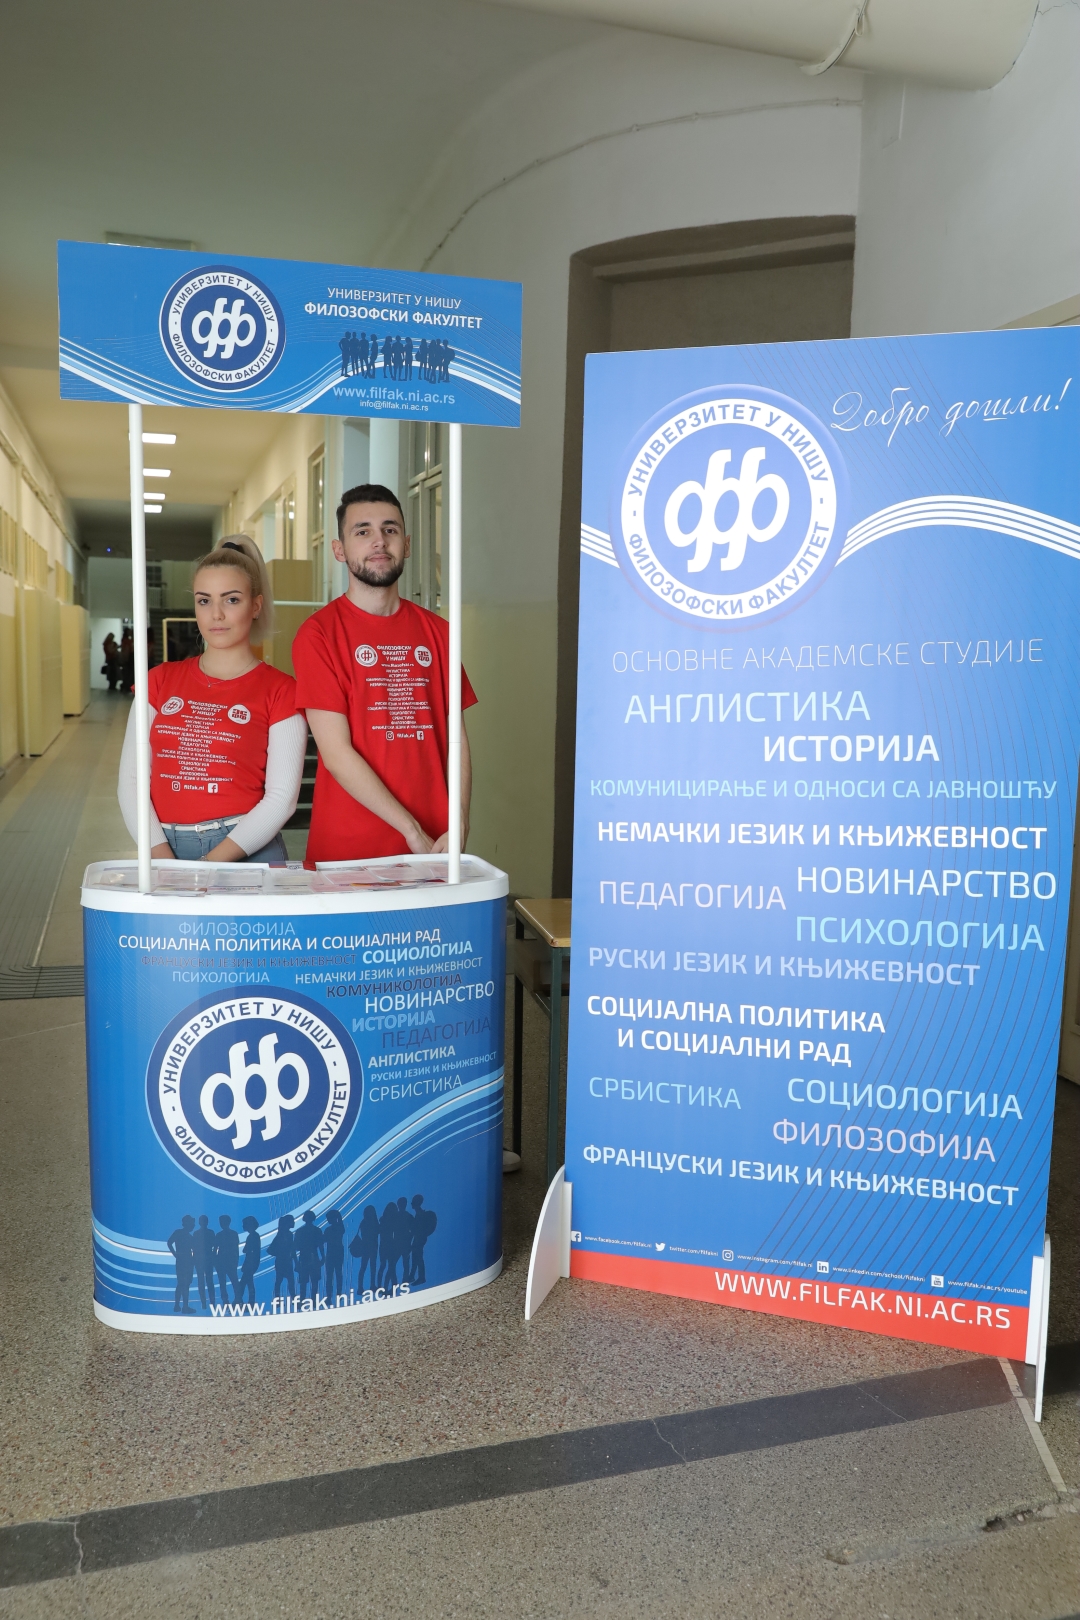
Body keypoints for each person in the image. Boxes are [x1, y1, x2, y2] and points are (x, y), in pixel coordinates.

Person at [292, 485, 475, 863]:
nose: (379, 541)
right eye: (363, 531)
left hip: (436, 844)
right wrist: (410, 829)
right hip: (350, 849)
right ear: (339, 550)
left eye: (390, 530)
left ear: (405, 545)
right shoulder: (318, 634)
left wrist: (458, 817)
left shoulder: (439, 633)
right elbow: (336, 753)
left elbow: (456, 738)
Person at [118, 535, 307, 863]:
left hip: (246, 849)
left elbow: (282, 798)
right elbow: (131, 783)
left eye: (231, 600)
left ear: (256, 606)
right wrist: (164, 861)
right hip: (163, 847)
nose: (216, 614)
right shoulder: (159, 681)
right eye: (204, 601)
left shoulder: (281, 690)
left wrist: (207, 867)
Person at [167, 1214, 196, 1315]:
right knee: (183, 1284)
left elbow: (194, 1249)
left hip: (186, 1260)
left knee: (182, 1283)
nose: (193, 1225)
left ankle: (180, 1306)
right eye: (192, 1223)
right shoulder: (180, 1233)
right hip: (184, 1260)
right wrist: (175, 1254)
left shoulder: (189, 1236)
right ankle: (182, 1306)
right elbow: (169, 1243)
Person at [214, 1214, 241, 1306]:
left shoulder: (233, 1234)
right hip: (222, 1262)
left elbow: (236, 1249)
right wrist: (215, 1262)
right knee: (223, 1282)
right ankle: (225, 1300)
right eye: (220, 1222)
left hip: (230, 1261)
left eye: (223, 1222)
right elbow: (215, 1250)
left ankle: (237, 1298)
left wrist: (236, 1261)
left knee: (233, 1281)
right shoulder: (220, 1235)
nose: (221, 1224)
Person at [238, 1215, 261, 1306]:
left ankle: (242, 1300)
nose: (243, 1226)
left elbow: (246, 1250)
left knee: (244, 1283)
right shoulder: (253, 1236)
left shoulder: (253, 1236)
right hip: (251, 1263)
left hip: (250, 1263)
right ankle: (248, 1301)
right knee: (248, 1283)